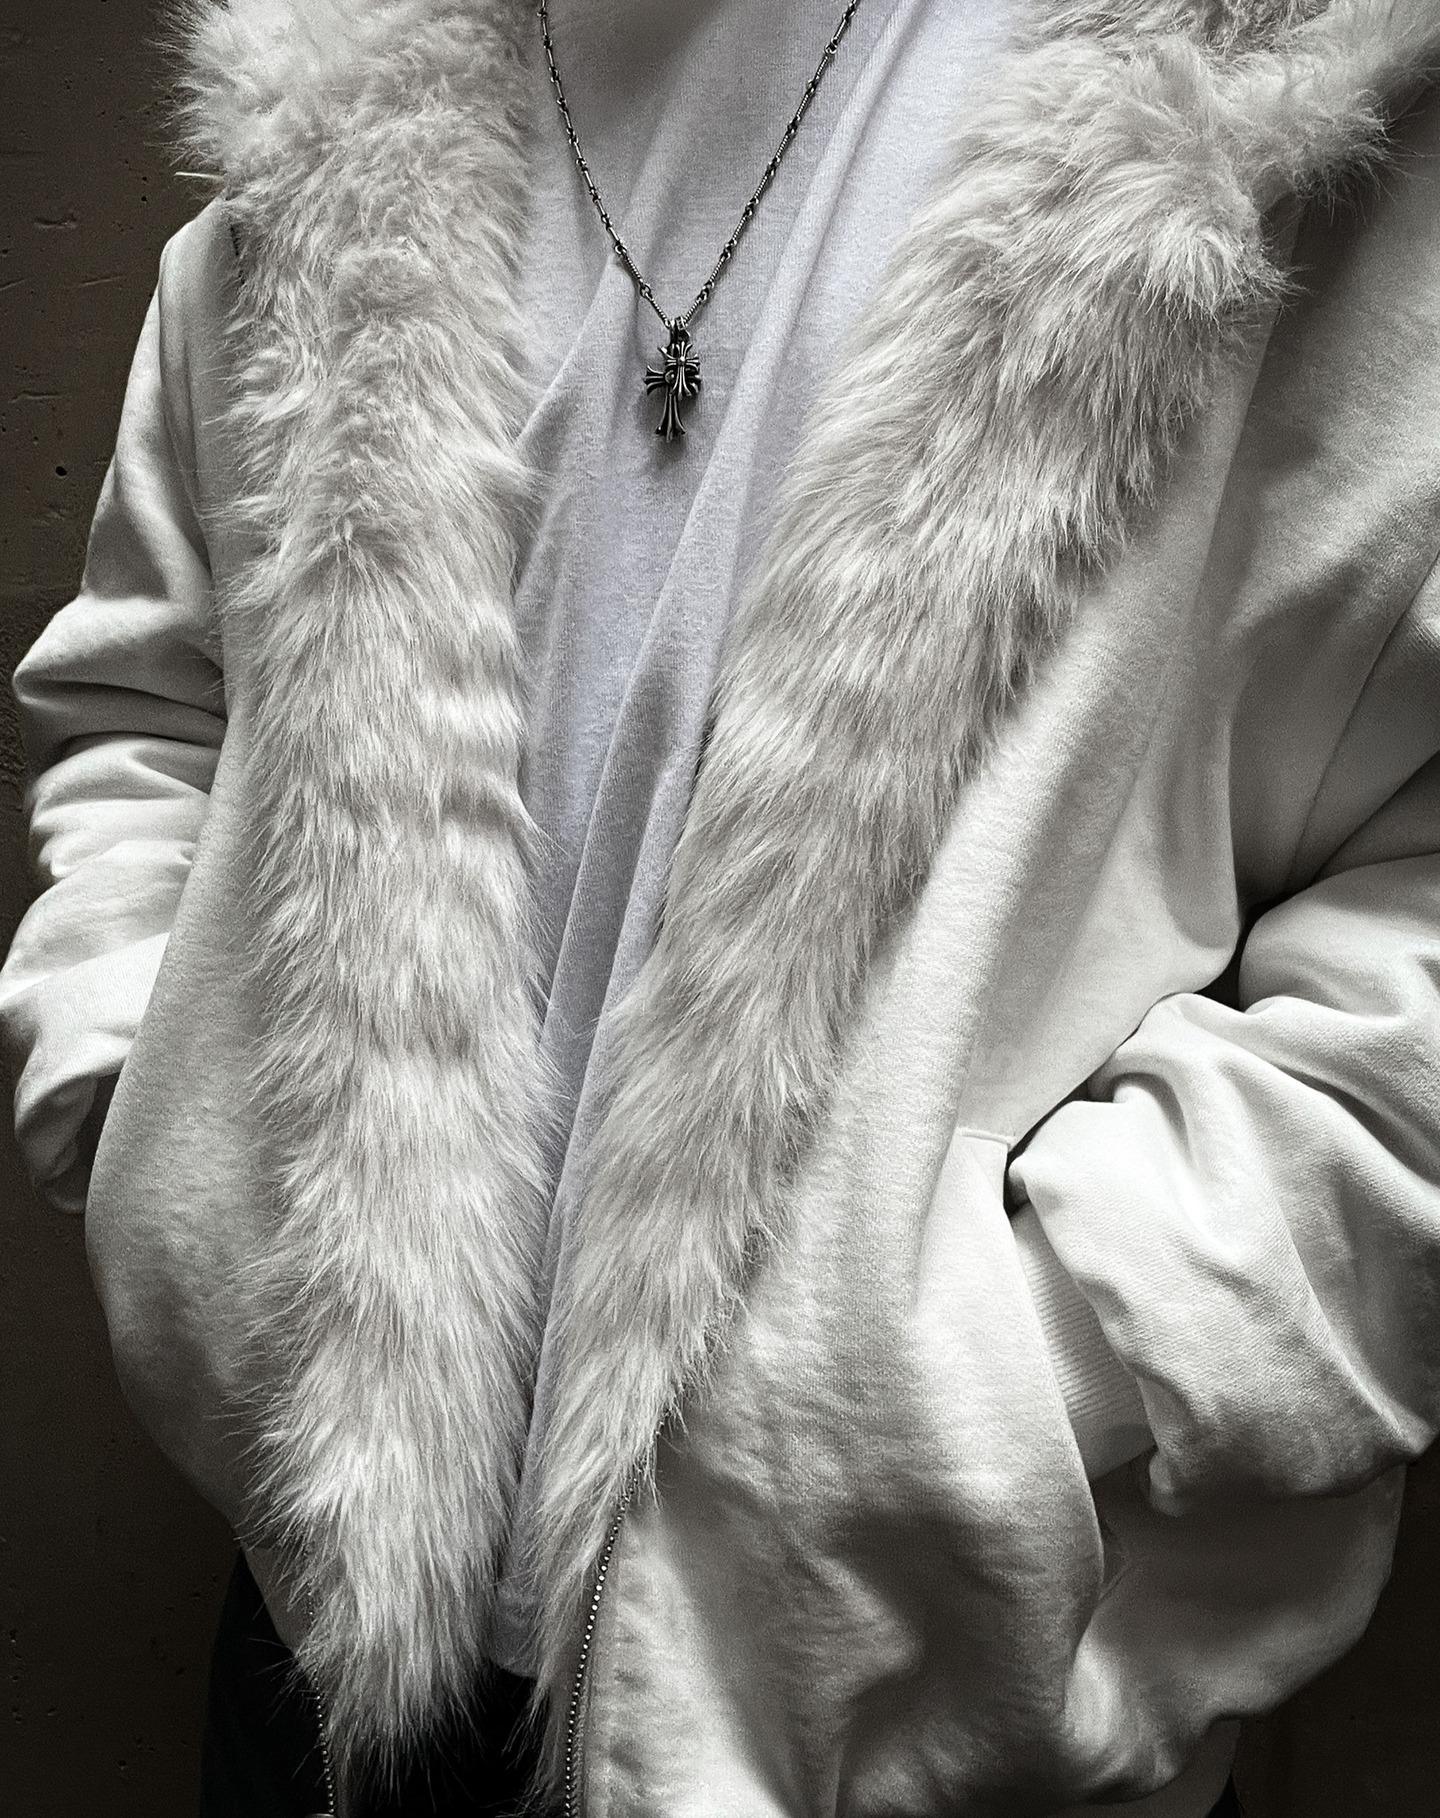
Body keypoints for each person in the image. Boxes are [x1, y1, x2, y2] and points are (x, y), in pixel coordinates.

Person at [4, 0, 1440, 1812]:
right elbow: (152, 701)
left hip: (917, 1699)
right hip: (313, 1633)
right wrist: (162, 1138)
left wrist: (1039, 1366)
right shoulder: (347, 90)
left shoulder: (1291, 79)